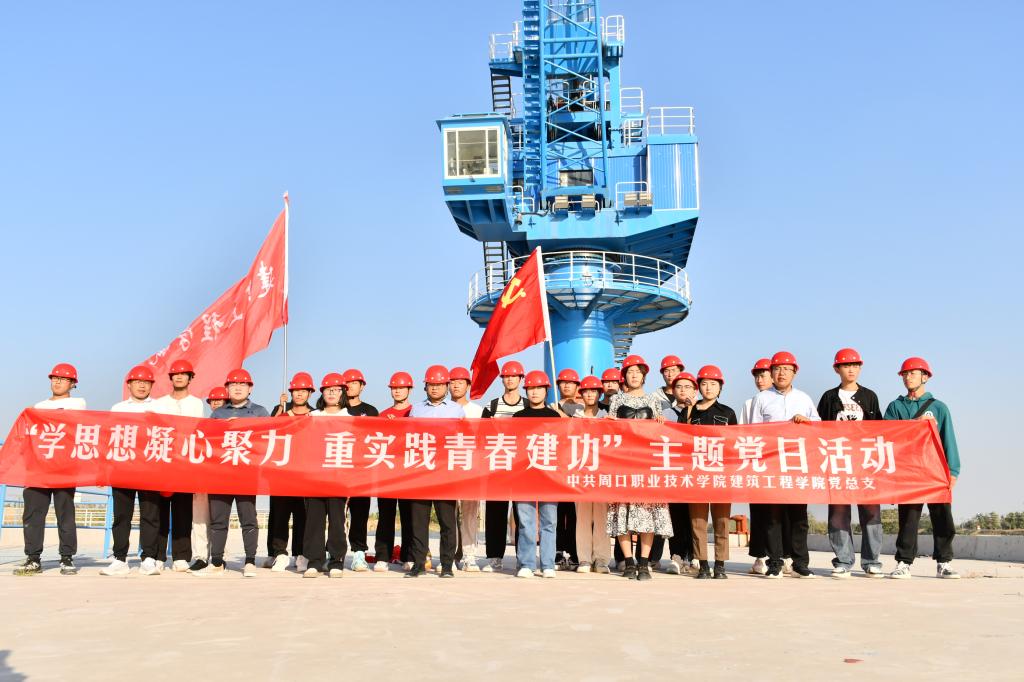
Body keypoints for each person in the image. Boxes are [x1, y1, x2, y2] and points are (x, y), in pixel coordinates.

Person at [886, 357, 961, 580]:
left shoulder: (939, 407)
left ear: (925, 377)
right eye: (905, 374)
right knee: (908, 518)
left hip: (936, 470)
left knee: (942, 516)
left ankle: (944, 562)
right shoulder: (895, 407)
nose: (908, 377)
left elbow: (948, 439)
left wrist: (953, 470)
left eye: (913, 373)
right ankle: (903, 562)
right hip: (908, 471)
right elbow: (888, 437)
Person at [748, 351, 820, 579]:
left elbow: (819, 427)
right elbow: (753, 432)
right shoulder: (762, 398)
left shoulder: (804, 399)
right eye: (777, 369)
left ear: (795, 373)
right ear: (771, 373)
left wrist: (806, 422)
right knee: (773, 516)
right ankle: (775, 563)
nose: (781, 373)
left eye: (787, 369)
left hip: (798, 465)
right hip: (772, 465)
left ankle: (800, 563)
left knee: (799, 516)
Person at [817, 349, 885, 579]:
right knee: (838, 514)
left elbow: (880, 430)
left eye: (855, 365)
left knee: (871, 513)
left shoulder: (869, 396)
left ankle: (872, 561)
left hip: (865, 463)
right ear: (837, 369)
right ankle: (843, 560)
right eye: (846, 365)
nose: (851, 369)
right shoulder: (829, 397)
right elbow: (818, 428)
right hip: (837, 463)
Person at [194, 368, 268, 577]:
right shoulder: (218, 414)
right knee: (218, 520)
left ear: (250, 388)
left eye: (242, 384)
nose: (237, 388)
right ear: (227, 388)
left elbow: (268, 439)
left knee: (248, 518)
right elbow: (208, 442)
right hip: (221, 475)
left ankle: (250, 561)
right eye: (233, 384)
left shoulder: (260, 412)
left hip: (247, 474)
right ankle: (217, 561)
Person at [14, 363, 86, 577]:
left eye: (63, 379)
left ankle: (67, 558)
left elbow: (70, 421)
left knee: (65, 514)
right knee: (33, 514)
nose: (58, 381)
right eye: (55, 378)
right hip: (39, 467)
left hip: (64, 467)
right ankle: (33, 558)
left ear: (73, 384)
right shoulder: (39, 405)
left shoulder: (78, 403)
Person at [606, 355, 672, 581]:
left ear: (644, 376)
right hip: (623, 464)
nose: (634, 375)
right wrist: (610, 424)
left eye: (638, 372)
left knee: (648, 513)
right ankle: (628, 562)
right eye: (629, 372)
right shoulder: (616, 400)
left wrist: (660, 424)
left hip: (647, 465)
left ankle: (644, 562)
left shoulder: (654, 401)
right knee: (621, 513)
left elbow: (660, 434)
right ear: (624, 377)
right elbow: (609, 431)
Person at [406, 365, 464, 578]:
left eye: (439, 384)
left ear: (446, 386)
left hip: (445, 473)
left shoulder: (456, 410)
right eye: (431, 384)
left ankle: (447, 564)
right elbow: (409, 437)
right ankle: (419, 562)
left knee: (447, 522)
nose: (435, 388)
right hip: (421, 471)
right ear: (425, 386)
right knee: (418, 522)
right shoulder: (416, 409)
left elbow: (463, 438)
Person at [101, 365, 160, 576]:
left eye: (146, 382)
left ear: (151, 386)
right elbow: (109, 437)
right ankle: (120, 558)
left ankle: (149, 558)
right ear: (129, 385)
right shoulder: (118, 408)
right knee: (121, 515)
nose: (142, 386)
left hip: (149, 468)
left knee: (150, 515)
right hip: (123, 468)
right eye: (137, 382)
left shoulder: (159, 407)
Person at [151, 359, 204, 573]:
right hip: (162, 462)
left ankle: (181, 556)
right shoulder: (159, 403)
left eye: (184, 374)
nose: (179, 377)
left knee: (183, 511)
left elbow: (196, 431)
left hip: (185, 464)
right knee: (159, 511)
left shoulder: (196, 404)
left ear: (190, 378)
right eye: (176, 374)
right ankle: (158, 556)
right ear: (171, 378)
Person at [688, 365, 737, 579]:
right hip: (697, 473)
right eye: (704, 383)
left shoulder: (727, 413)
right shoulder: (690, 411)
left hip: (721, 474)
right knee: (698, 521)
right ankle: (703, 565)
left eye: (713, 384)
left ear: (720, 387)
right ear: (699, 387)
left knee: (722, 520)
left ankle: (720, 565)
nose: (708, 388)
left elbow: (735, 444)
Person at [512, 370, 563, 578]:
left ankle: (548, 563)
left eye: (538, 388)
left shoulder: (554, 417)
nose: (534, 392)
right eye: (530, 388)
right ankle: (527, 563)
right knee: (526, 522)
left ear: (546, 391)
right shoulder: (518, 417)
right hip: (523, 476)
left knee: (549, 521)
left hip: (549, 476)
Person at [264, 371, 314, 573]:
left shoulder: (316, 416)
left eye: (303, 390)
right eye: (296, 390)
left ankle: (301, 554)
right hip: (282, 476)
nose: (299, 394)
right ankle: (280, 554)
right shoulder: (282, 416)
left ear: (310, 393)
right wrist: (275, 419)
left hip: (305, 477)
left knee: (303, 517)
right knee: (280, 516)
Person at [480, 360, 526, 572]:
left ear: (520, 379)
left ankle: (523, 556)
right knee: (495, 513)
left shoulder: (528, 406)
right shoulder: (492, 406)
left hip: (521, 468)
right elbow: (482, 435)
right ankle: (494, 556)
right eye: (506, 376)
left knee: (522, 513)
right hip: (497, 465)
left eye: (514, 376)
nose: (510, 379)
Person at [302, 373, 349, 578]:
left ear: (343, 393)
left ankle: (336, 560)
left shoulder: (350, 418)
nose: (331, 393)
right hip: (315, 477)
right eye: (327, 389)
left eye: (336, 389)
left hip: (339, 478)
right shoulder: (312, 417)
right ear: (322, 393)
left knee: (337, 520)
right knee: (314, 520)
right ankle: (314, 560)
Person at [339, 368, 379, 572]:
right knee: (336, 514)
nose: (350, 387)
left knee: (360, 513)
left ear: (362, 386)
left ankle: (359, 552)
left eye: (354, 383)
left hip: (362, 471)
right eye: (347, 384)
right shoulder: (336, 409)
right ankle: (334, 552)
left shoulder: (370, 411)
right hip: (339, 469)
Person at [376, 371, 415, 572]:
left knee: (409, 516)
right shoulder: (383, 415)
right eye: (394, 388)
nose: (397, 391)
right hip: (387, 473)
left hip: (408, 472)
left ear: (409, 390)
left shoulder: (416, 413)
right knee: (386, 516)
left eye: (401, 388)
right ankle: (382, 556)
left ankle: (408, 556)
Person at [572, 375, 610, 574]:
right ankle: (585, 559)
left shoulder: (608, 417)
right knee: (583, 519)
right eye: (586, 391)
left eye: (593, 391)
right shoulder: (575, 418)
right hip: (581, 474)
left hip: (602, 474)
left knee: (602, 518)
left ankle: (602, 559)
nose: (589, 395)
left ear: (599, 394)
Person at [664, 372, 701, 575]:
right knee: (676, 515)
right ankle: (677, 556)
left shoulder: (702, 412)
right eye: (679, 387)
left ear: (695, 390)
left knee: (695, 516)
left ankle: (695, 556)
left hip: (696, 470)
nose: (683, 390)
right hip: (674, 470)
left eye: (687, 387)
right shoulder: (666, 413)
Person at [449, 366, 485, 572]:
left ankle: (469, 556)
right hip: (447, 468)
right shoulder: (442, 410)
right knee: (448, 513)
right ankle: (450, 555)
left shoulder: (478, 411)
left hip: (471, 467)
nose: (456, 385)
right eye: (452, 382)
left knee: (470, 513)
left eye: (460, 382)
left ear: (468, 385)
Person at [740, 358, 774, 575]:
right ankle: (760, 556)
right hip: (758, 465)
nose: (759, 380)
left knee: (780, 514)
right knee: (760, 513)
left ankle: (783, 556)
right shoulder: (749, 403)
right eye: (757, 376)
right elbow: (742, 434)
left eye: (763, 375)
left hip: (780, 466)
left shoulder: (789, 400)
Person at [552, 368, 581, 569]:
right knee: (557, 511)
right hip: (557, 466)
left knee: (574, 513)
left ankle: (575, 550)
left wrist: (564, 417)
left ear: (577, 386)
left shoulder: (582, 407)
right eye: (563, 382)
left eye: (570, 382)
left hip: (577, 465)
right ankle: (557, 550)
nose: (566, 385)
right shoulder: (551, 406)